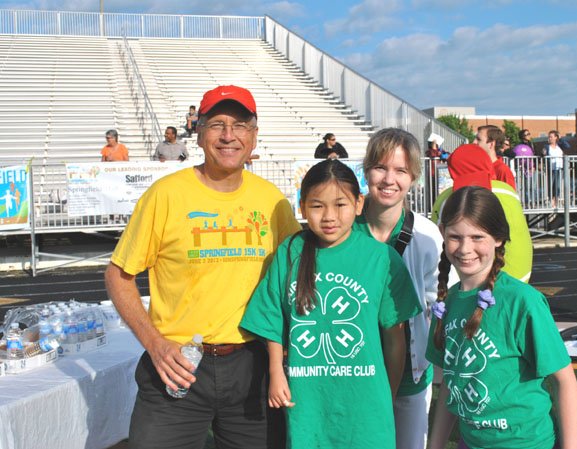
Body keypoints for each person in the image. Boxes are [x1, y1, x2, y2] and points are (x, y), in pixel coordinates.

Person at [104, 85, 301, 449]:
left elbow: (295, 275)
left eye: (240, 125)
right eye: (217, 124)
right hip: (177, 364)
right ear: (199, 132)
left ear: (254, 135)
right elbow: (118, 275)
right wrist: (155, 344)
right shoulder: (165, 194)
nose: (229, 136)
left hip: (252, 366)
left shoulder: (273, 202)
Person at [240, 159, 422, 449]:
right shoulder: (291, 251)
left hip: (366, 402)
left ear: (358, 204)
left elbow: (395, 338)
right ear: (301, 206)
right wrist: (276, 372)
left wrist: (388, 392)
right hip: (308, 399)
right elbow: (272, 318)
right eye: (317, 206)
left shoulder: (381, 258)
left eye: (340, 205)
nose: (329, 216)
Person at [427, 186, 577, 449]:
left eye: (477, 237)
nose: (465, 248)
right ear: (442, 233)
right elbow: (450, 388)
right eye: (455, 237)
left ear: (498, 237)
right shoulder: (447, 302)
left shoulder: (523, 301)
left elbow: (564, 381)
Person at [353, 128, 443, 449]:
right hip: (353, 371)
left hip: (409, 377)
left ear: (414, 177)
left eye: (401, 170)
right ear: (366, 171)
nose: (389, 179)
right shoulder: (343, 230)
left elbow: (439, 304)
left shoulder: (428, 235)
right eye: (380, 167)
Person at [431, 144, 533, 283]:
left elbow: (435, 242)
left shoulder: (446, 198)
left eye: (477, 237)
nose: (465, 248)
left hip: (478, 280)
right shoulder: (508, 191)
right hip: (519, 273)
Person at [474, 125, 516, 190]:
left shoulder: (502, 171)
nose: (474, 142)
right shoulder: (476, 168)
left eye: (479, 139)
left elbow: (510, 198)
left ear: (491, 144)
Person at [544, 130, 564, 208]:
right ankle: (551, 201)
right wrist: (543, 153)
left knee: (558, 185)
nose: (550, 138)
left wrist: (561, 138)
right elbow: (543, 153)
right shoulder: (547, 146)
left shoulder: (559, 145)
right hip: (551, 168)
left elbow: (567, 146)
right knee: (551, 185)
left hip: (559, 167)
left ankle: (556, 201)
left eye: (551, 137)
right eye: (549, 137)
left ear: (556, 137)